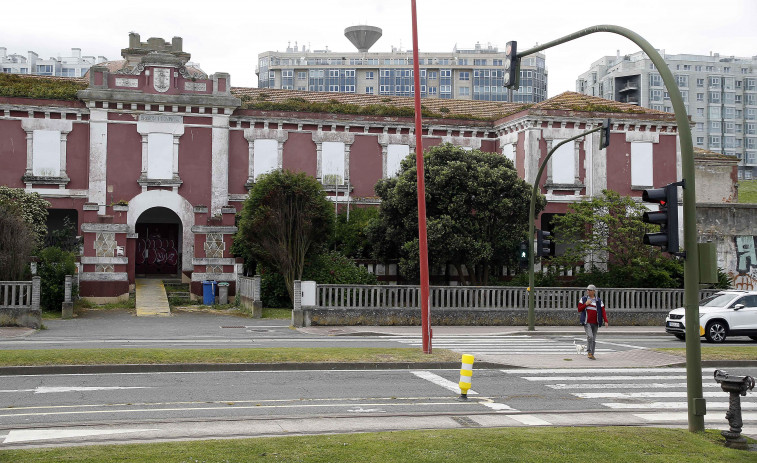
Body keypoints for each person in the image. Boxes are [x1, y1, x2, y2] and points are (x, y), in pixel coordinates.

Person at [577, 284, 608, 360]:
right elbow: (579, 309)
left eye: (590, 290)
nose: (588, 291)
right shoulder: (584, 299)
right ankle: (589, 352)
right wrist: (586, 304)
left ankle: (592, 354)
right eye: (587, 290)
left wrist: (605, 320)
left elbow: (603, 310)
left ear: (594, 291)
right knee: (590, 336)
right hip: (587, 321)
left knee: (593, 339)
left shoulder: (598, 300)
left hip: (596, 322)